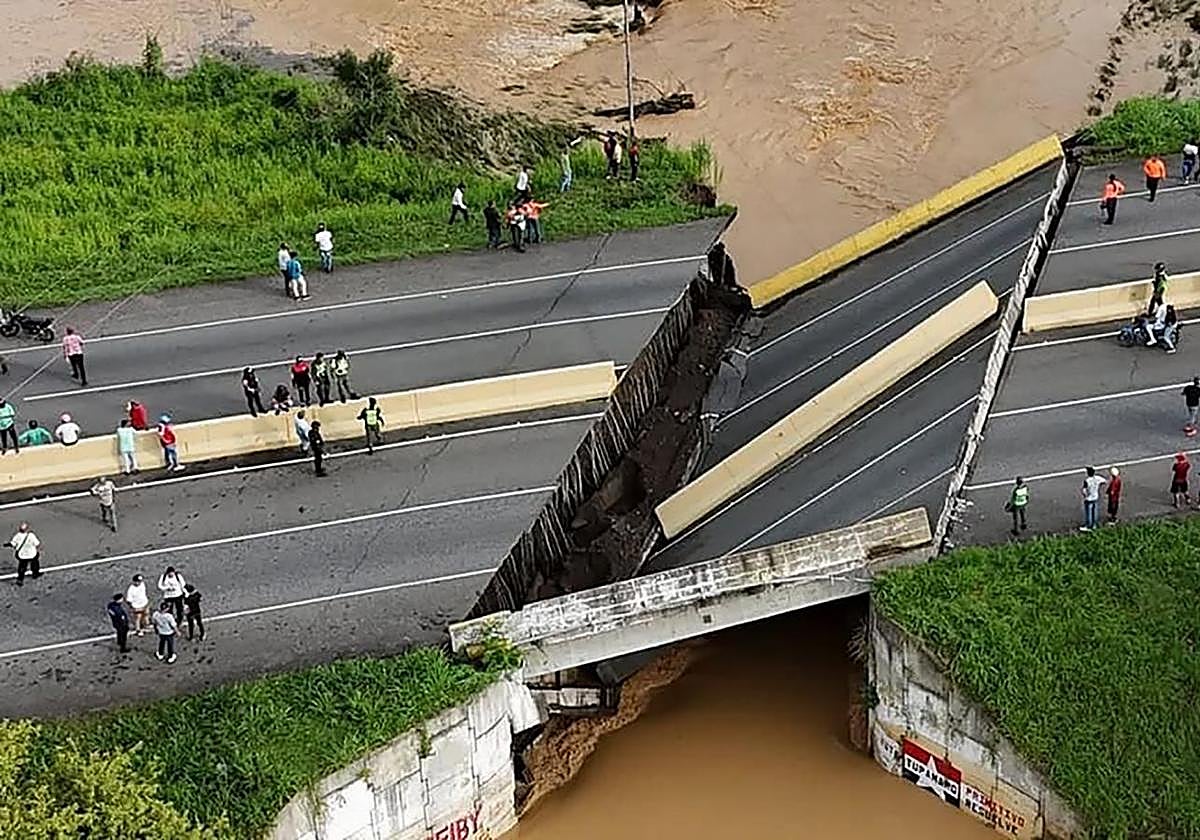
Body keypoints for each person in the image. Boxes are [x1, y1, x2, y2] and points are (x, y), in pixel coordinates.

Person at [1080, 466, 1104, 531]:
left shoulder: (1087, 481)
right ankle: (1094, 524)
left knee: (1089, 512)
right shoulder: (1097, 478)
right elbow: (1104, 481)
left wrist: (1085, 495)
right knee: (1095, 511)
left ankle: (1088, 525)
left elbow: (1084, 491)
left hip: (1089, 498)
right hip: (1095, 497)